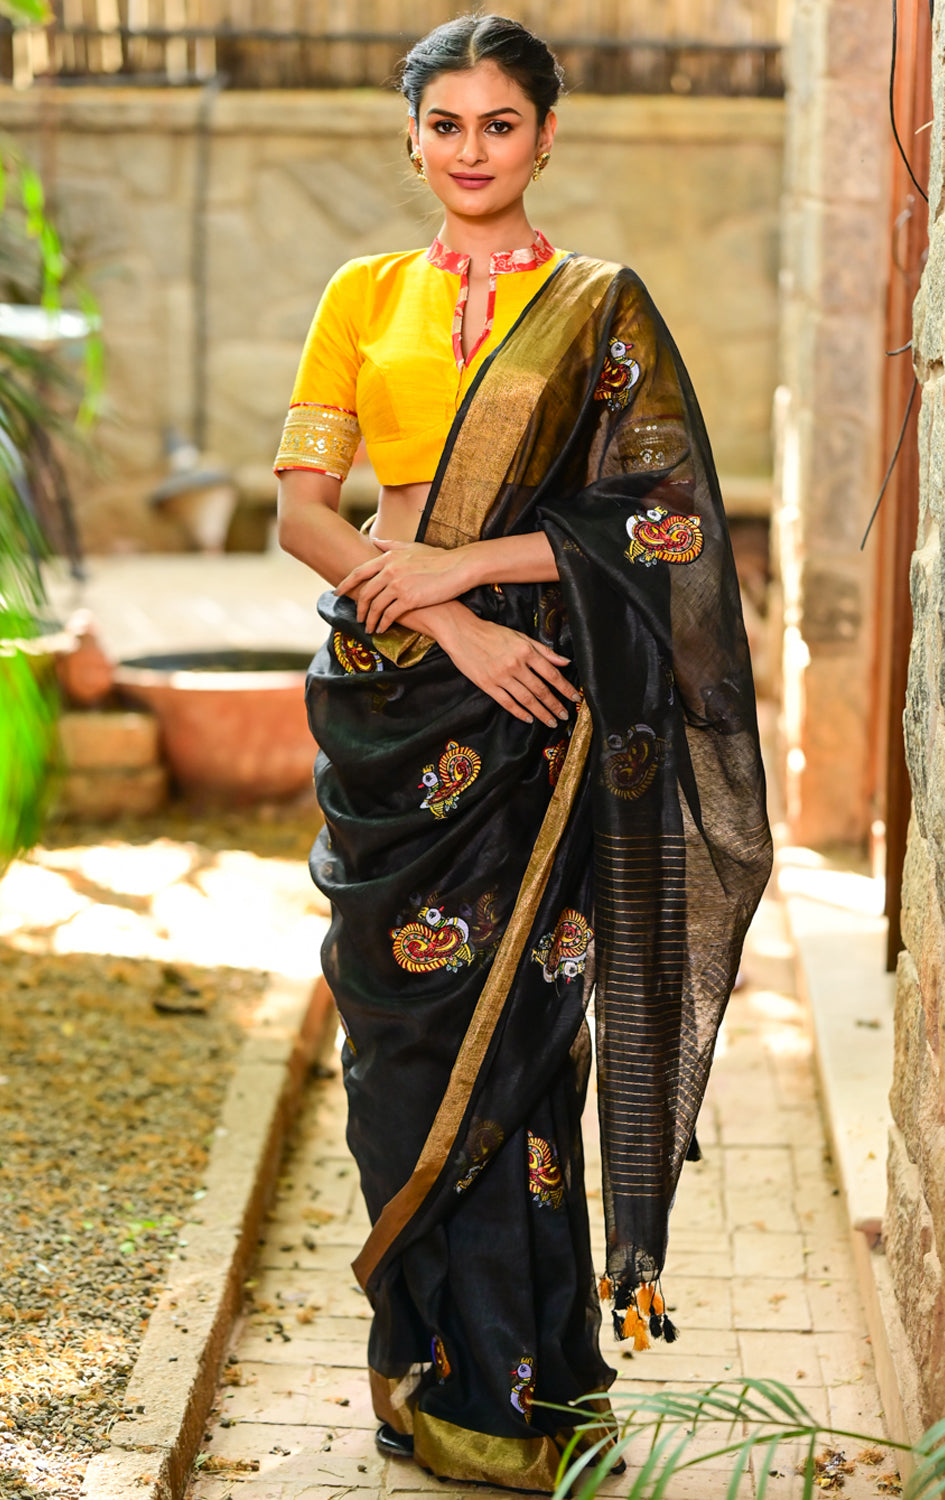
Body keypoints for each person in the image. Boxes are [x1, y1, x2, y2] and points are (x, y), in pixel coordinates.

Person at [274, 13, 772, 1490]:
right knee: (401, 1045)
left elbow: (663, 525)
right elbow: (305, 505)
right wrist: (430, 613)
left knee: (525, 1046)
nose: (472, 149)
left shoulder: (603, 309)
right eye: (447, 125)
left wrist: (463, 579)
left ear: (546, 136)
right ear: (411, 133)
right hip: (400, 701)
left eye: (501, 124)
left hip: (545, 701)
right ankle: (425, 1365)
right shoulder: (360, 295)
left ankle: (532, 1382)